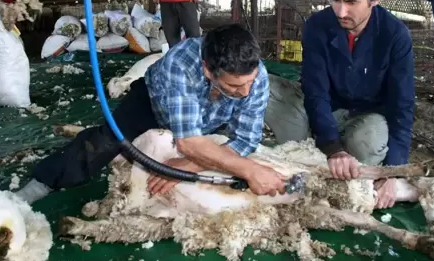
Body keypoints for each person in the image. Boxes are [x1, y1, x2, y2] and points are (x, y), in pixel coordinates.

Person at [16, 23, 287, 204]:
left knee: (212, 158)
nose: (246, 91)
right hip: (153, 105)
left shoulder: (256, 77)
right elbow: (189, 142)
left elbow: (246, 138)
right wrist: (250, 170)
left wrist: (190, 165)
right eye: (235, 85)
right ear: (207, 70)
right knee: (106, 142)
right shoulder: (180, 63)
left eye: (250, 82)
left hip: (209, 121)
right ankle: (42, 182)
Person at [268, 0, 414, 210]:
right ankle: (317, 149)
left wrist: (393, 172)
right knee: (264, 85)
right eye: (334, 0)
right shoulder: (317, 26)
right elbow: (316, 89)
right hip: (323, 109)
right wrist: (333, 147)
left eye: (351, 2)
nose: (341, 11)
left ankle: (328, 152)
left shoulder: (395, 35)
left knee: (366, 142)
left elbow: (402, 104)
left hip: (366, 115)